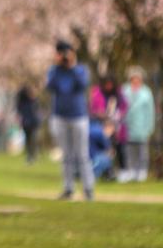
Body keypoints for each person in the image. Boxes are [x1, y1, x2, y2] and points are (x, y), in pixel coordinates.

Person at [46, 40, 95, 200]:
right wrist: (57, 65)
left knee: (82, 154)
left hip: (78, 116)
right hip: (60, 115)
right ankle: (68, 188)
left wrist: (72, 66)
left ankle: (88, 188)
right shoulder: (54, 71)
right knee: (66, 154)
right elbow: (50, 87)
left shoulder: (80, 70)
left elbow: (82, 84)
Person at [120, 66, 156, 182]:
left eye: (137, 78)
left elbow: (150, 111)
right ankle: (130, 171)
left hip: (142, 126)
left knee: (142, 151)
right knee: (129, 150)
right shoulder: (124, 90)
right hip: (127, 125)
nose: (135, 80)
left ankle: (142, 172)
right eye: (133, 78)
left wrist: (149, 127)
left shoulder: (146, 92)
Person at [89, 75, 127, 176]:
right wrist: (100, 114)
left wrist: (117, 116)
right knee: (104, 148)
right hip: (101, 125)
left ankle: (120, 170)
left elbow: (124, 107)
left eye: (111, 84)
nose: (109, 86)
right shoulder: (98, 93)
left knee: (118, 148)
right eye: (107, 84)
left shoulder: (118, 94)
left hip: (116, 125)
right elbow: (93, 108)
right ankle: (106, 170)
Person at [16, 85, 41, 164]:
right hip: (29, 122)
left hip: (30, 122)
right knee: (30, 139)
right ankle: (31, 155)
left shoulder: (30, 102)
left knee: (31, 139)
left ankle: (32, 155)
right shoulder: (29, 102)